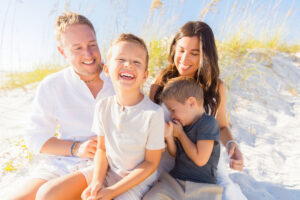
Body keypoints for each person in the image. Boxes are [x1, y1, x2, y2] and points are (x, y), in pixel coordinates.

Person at [10, 12, 114, 200]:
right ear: (62, 52)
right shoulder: (53, 85)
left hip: (107, 164)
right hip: (64, 162)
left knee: (47, 196)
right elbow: (36, 137)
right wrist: (76, 148)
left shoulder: (117, 78)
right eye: (77, 48)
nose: (89, 55)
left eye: (92, 45)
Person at [148, 21, 246, 200]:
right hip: (166, 165)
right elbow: (147, 118)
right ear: (174, 49)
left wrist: (232, 145)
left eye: (194, 53)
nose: (184, 60)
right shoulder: (163, 79)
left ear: (206, 56)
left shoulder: (216, 87)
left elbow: (222, 126)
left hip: (204, 170)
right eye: (181, 50)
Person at [81, 33, 165, 200]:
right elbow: (102, 149)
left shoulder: (153, 113)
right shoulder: (103, 106)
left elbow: (151, 164)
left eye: (137, 62)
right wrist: (96, 182)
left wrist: (112, 192)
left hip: (138, 180)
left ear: (145, 75)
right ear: (107, 69)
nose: (129, 65)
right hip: (109, 172)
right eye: (121, 59)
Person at [143, 77, 223, 200]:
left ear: (191, 103)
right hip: (175, 181)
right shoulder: (183, 124)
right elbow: (176, 154)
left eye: (173, 110)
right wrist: (170, 137)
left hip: (203, 187)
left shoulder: (208, 123)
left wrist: (180, 135)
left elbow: (200, 159)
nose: (172, 116)